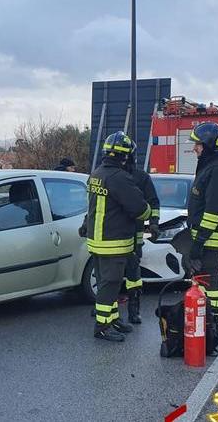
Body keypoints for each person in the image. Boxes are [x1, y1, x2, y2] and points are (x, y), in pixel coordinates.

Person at [82, 131, 151, 342]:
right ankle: (102, 326)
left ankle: (112, 319)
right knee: (111, 284)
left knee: (106, 283)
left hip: (97, 241)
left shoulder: (96, 174)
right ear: (125, 155)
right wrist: (148, 212)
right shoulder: (119, 178)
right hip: (113, 242)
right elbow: (140, 209)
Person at [183, 122, 218, 323]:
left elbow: (213, 211)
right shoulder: (209, 167)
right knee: (202, 279)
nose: (194, 148)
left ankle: (214, 320)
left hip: (209, 239)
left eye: (198, 144)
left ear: (209, 145)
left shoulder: (217, 171)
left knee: (210, 278)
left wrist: (199, 242)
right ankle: (205, 319)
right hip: (204, 236)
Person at [123, 154, 160, 325]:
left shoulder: (141, 177)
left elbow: (153, 202)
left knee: (133, 275)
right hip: (113, 236)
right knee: (110, 276)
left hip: (133, 236)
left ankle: (134, 310)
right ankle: (108, 313)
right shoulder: (111, 176)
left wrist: (154, 223)